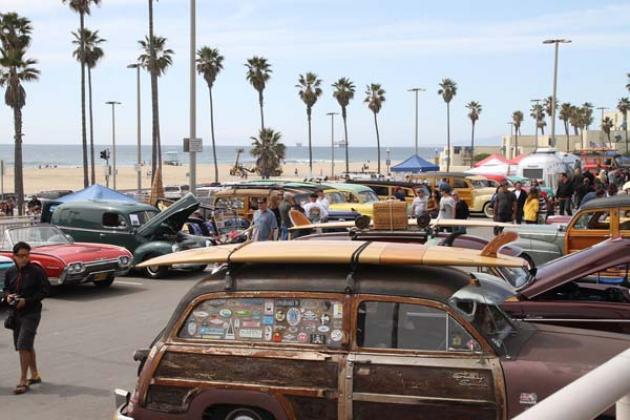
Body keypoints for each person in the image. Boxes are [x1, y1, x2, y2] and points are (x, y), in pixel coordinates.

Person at [2, 242, 50, 395]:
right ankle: (34, 375)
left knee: (23, 345)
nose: (24, 259)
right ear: (14, 256)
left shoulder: (36, 271)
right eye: (21, 256)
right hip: (16, 314)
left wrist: (27, 301)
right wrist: (7, 296)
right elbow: (6, 289)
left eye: (27, 255)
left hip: (32, 313)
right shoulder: (10, 272)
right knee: (25, 345)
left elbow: (45, 290)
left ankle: (23, 380)